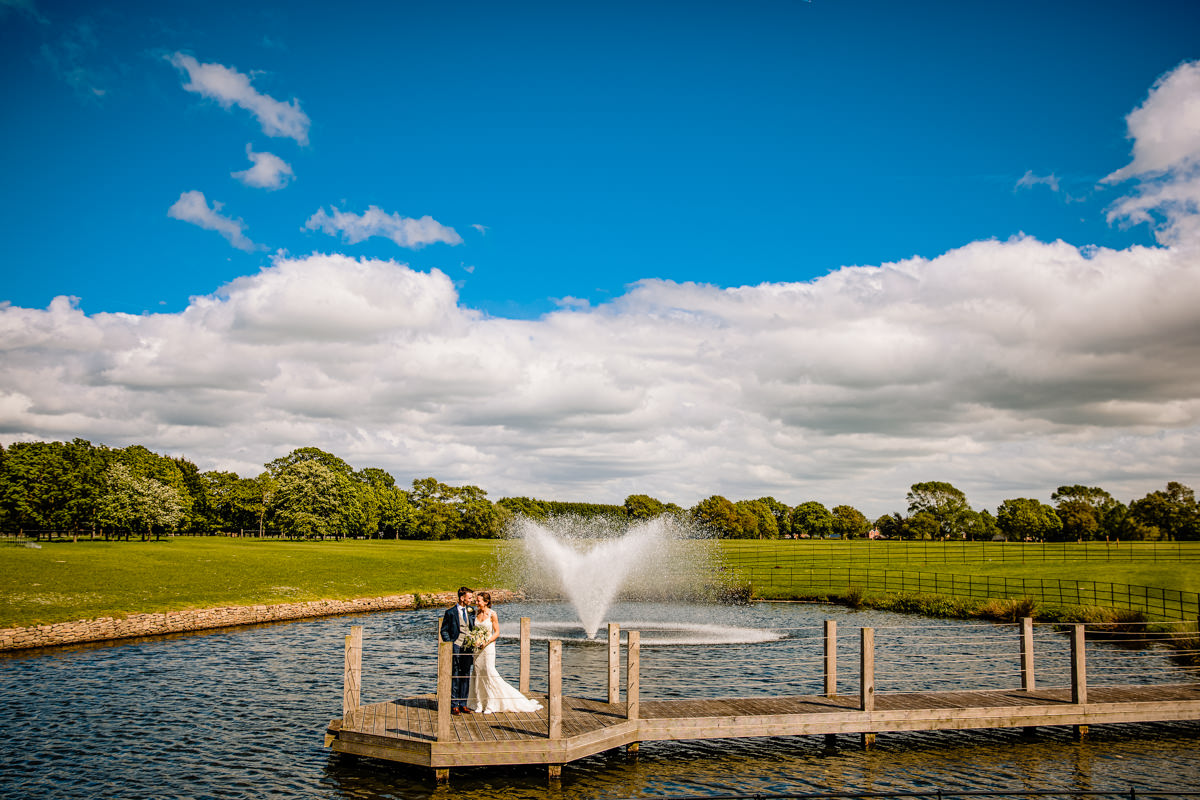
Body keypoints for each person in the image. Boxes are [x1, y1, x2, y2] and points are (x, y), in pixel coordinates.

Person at [467, 591, 543, 714]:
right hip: (477, 648)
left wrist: (486, 642)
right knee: (477, 674)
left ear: (486, 602)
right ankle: (479, 703)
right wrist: (474, 640)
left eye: (478, 601)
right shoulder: (475, 613)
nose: (476, 603)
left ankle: (491, 704)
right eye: (476, 600)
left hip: (488, 647)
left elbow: (496, 632)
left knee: (489, 673)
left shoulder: (492, 614)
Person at [439, 586, 476, 715]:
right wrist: (450, 644)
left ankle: (463, 704)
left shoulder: (471, 611)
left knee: (465, 675)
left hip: (468, 648)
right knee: (455, 674)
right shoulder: (450, 613)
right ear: (462, 598)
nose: (471, 600)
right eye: (469, 597)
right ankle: (454, 704)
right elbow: (444, 630)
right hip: (456, 646)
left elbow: (473, 628)